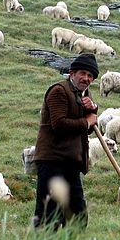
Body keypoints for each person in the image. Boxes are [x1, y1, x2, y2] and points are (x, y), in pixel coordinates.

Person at [32, 53, 99, 230]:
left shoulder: (83, 95)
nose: (86, 78)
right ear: (72, 73)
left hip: (71, 163)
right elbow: (59, 124)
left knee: (78, 215)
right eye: (82, 73)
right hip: (53, 161)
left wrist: (92, 111)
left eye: (90, 76)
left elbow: (89, 129)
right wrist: (87, 121)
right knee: (50, 215)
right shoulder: (59, 91)